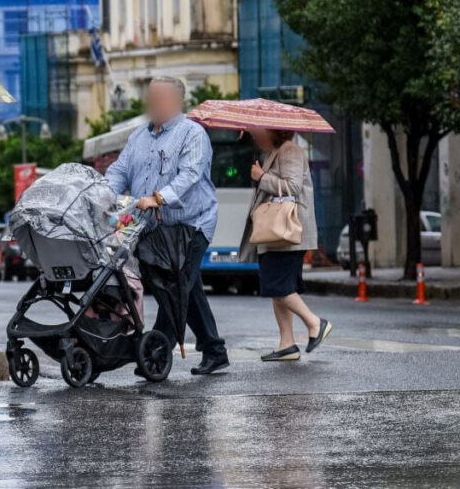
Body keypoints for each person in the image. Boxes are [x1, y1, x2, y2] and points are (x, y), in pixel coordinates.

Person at [105, 77, 230, 375]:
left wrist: (159, 198)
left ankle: (157, 352)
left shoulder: (192, 134)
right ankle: (215, 349)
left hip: (191, 224)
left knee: (175, 285)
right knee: (188, 286)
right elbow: (119, 171)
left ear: (177, 101)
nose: (155, 103)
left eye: (161, 98)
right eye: (152, 97)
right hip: (151, 228)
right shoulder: (138, 136)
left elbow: (189, 175)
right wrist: (102, 193)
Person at [240, 129, 332, 361]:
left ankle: (315, 323)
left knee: (277, 285)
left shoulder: (290, 150)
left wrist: (262, 177)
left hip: (288, 232)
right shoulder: (275, 152)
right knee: (277, 288)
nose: (255, 136)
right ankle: (287, 344)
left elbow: (292, 187)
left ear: (274, 132)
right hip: (275, 233)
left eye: (259, 133)